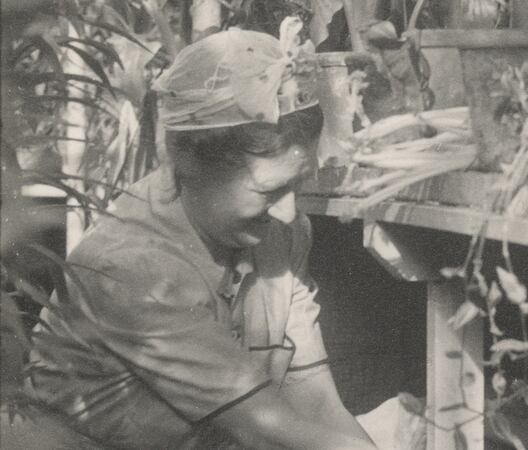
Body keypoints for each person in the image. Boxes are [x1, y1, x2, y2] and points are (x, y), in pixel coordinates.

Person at [28, 24, 376, 449]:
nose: (288, 212)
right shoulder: (132, 267)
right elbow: (263, 429)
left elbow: (316, 405)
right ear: (190, 167)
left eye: (298, 184)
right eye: (268, 190)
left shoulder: (279, 233)